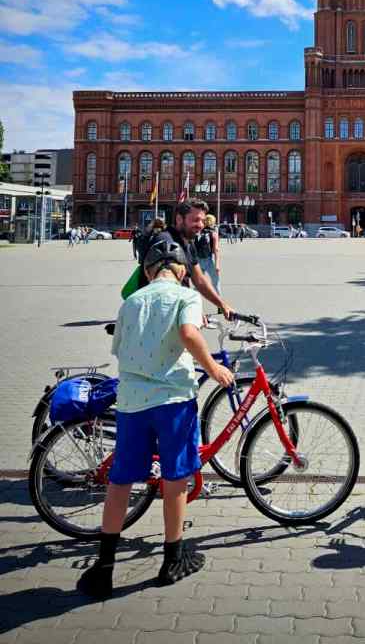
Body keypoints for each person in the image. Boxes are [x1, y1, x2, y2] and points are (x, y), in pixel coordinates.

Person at [76, 238, 235, 599]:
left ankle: (103, 569)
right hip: (172, 400)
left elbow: (119, 348)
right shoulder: (186, 297)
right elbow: (188, 333)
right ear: (181, 272)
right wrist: (212, 368)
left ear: (148, 272)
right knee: (176, 478)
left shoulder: (131, 301)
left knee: (120, 483)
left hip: (132, 403)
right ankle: (172, 560)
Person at [137, 199, 236, 319]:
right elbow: (164, 285)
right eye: (195, 220)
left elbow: (199, 279)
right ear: (179, 219)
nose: (200, 225)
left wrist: (222, 305)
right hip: (156, 315)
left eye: (203, 221)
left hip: (174, 311)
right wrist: (188, 308)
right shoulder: (167, 243)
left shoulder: (188, 244)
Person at [196, 213, 221, 302]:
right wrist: (217, 264)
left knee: (198, 282)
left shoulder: (198, 232)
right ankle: (219, 304)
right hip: (208, 261)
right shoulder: (213, 233)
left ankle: (194, 301)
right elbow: (216, 250)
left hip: (197, 261)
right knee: (215, 282)